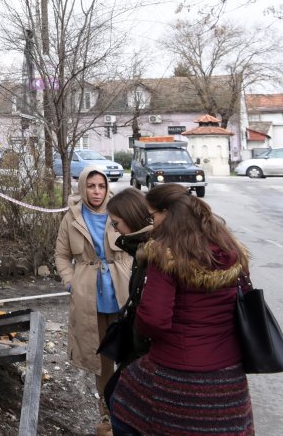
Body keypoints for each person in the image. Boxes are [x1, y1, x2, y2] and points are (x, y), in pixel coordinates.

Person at [109, 184, 254, 436]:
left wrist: (139, 328)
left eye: (152, 217)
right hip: (229, 377)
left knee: (120, 403)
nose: (152, 224)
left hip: (175, 374)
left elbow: (153, 320)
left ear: (167, 213)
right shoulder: (230, 249)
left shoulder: (166, 255)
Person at [55, 166, 132, 436]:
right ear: (83, 188)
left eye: (101, 186)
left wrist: (132, 274)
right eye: (91, 186)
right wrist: (71, 282)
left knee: (129, 355)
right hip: (90, 299)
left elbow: (138, 244)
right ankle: (107, 415)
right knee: (101, 361)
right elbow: (61, 255)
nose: (97, 191)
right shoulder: (72, 217)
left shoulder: (120, 211)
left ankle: (131, 412)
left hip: (122, 295)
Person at [98, 188, 154, 405]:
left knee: (117, 398)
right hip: (141, 351)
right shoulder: (141, 249)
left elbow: (152, 313)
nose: (115, 229)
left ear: (131, 217)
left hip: (148, 354)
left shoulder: (152, 254)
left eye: (116, 223)